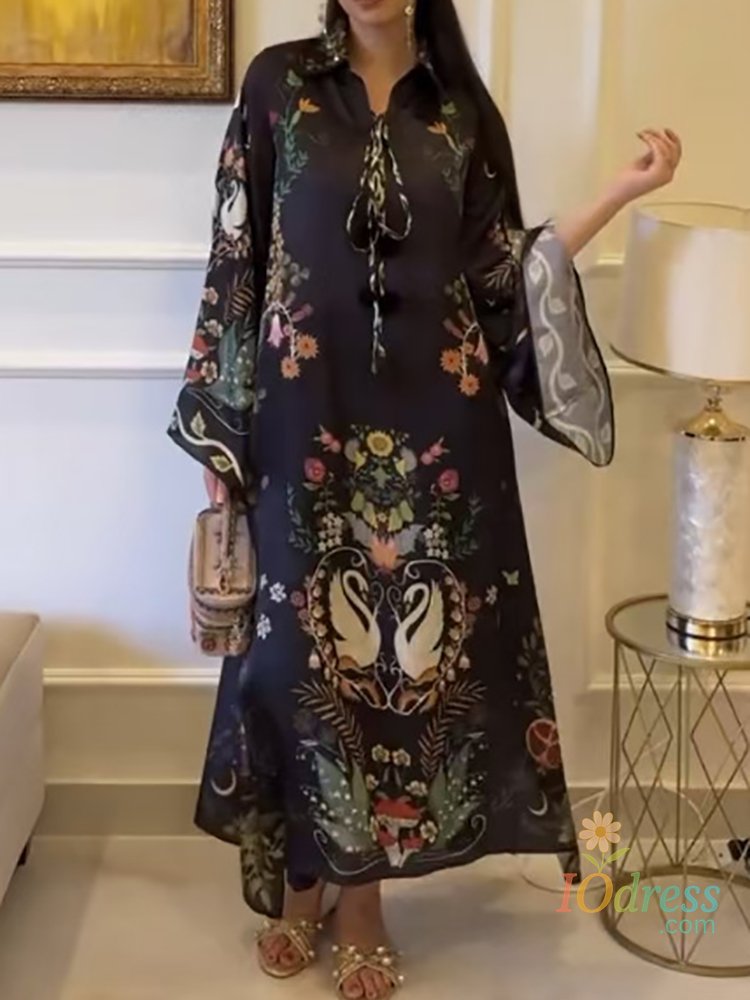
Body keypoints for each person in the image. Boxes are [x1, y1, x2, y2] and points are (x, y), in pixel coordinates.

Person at [168, 1, 682, 996]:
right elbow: (237, 257)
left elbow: (503, 275)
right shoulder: (279, 86)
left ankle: (362, 899)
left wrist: (622, 191)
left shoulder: (458, 111)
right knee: (298, 657)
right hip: (298, 423)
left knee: (398, 663)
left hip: (437, 437)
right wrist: (221, 429)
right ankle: (306, 882)